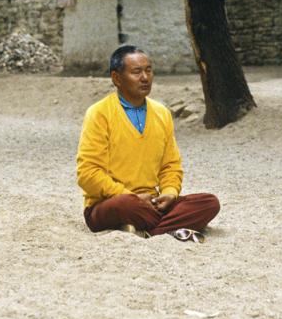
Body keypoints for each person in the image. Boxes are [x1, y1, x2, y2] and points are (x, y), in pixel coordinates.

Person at [76, 45, 220, 241]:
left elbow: (171, 165)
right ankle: (168, 228)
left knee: (209, 203)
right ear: (116, 78)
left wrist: (169, 194)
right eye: (136, 72)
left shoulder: (162, 113)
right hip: (111, 204)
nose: (145, 77)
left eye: (149, 70)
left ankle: (145, 231)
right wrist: (128, 195)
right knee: (126, 205)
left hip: (152, 204)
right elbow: (88, 174)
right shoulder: (99, 113)